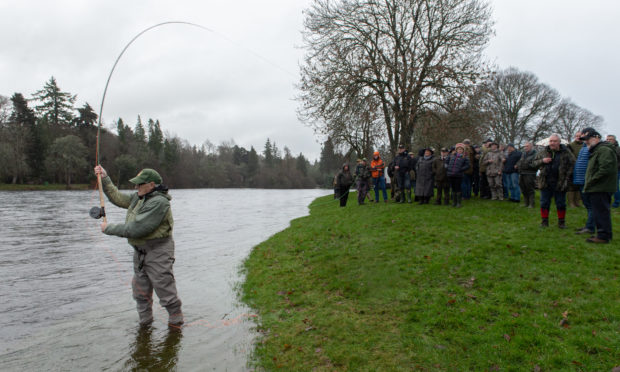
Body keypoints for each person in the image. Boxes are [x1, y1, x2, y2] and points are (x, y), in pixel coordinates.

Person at [94, 166, 183, 328]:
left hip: (159, 251)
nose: (136, 187)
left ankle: (176, 325)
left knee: (165, 290)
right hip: (140, 252)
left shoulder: (159, 202)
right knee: (140, 292)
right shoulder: (139, 197)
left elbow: (137, 229)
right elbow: (117, 198)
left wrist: (108, 228)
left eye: (139, 184)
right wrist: (105, 178)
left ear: (151, 185)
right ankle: (145, 326)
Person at [531, 134, 576, 228]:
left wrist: (567, 176)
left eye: (555, 141)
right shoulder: (543, 152)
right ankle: (544, 222)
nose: (552, 143)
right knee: (544, 203)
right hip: (545, 182)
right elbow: (533, 163)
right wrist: (542, 161)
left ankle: (561, 222)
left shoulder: (566, 152)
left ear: (559, 142)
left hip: (560, 182)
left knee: (560, 203)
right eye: (551, 141)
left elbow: (573, 164)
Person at [581, 128, 617, 243]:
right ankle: (602, 234)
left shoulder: (604, 150)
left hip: (601, 187)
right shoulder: (597, 150)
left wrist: (592, 180)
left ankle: (603, 236)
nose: (586, 142)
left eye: (588, 139)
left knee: (601, 212)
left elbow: (605, 169)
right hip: (597, 186)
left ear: (596, 138)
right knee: (599, 212)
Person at [572, 133, 594, 235]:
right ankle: (589, 226)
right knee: (587, 205)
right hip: (580, 180)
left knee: (591, 206)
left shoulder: (592, 148)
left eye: (584, 136)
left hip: (587, 181)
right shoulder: (584, 147)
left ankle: (590, 227)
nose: (582, 139)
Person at [445, 143, 470, 207]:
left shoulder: (465, 157)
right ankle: (454, 202)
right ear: (456, 150)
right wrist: (447, 167)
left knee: (458, 188)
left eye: (461, 149)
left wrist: (461, 169)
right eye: (459, 149)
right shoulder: (451, 155)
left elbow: (467, 165)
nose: (460, 150)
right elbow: (446, 162)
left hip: (459, 175)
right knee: (453, 188)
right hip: (451, 174)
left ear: (463, 150)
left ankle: (459, 203)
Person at [517, 142, 537, 208]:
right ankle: (526, 203)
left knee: (530, 189)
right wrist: (518, 165)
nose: (525, 148)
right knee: (523, 188)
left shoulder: (535, 154)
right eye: (525, 146)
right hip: (522, 173)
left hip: (530, 173)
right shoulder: (523, 154)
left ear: (531, 147)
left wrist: (527, 165)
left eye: (527, 146)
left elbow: (536, 164)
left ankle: (532, 204)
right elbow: (520, 161)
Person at [567, 131, 584, 208]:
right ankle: (571, 203)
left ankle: (577, 202)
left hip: (581, 168)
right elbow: (568, 156)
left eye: (579, 136)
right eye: (576, 136)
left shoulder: (585, 145)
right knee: (571, 186)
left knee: (578, 185)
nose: (578, 137)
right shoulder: (570, 145)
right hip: (572, 167)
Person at [606, 134, 620, 208]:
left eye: (610, 139)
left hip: (616, 170)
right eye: (607, 139)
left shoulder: (617, 149)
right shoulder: (605, 148)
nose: (608, 141)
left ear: (614, 140)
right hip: (607, 170)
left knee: (615, 187)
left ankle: (617, 202)